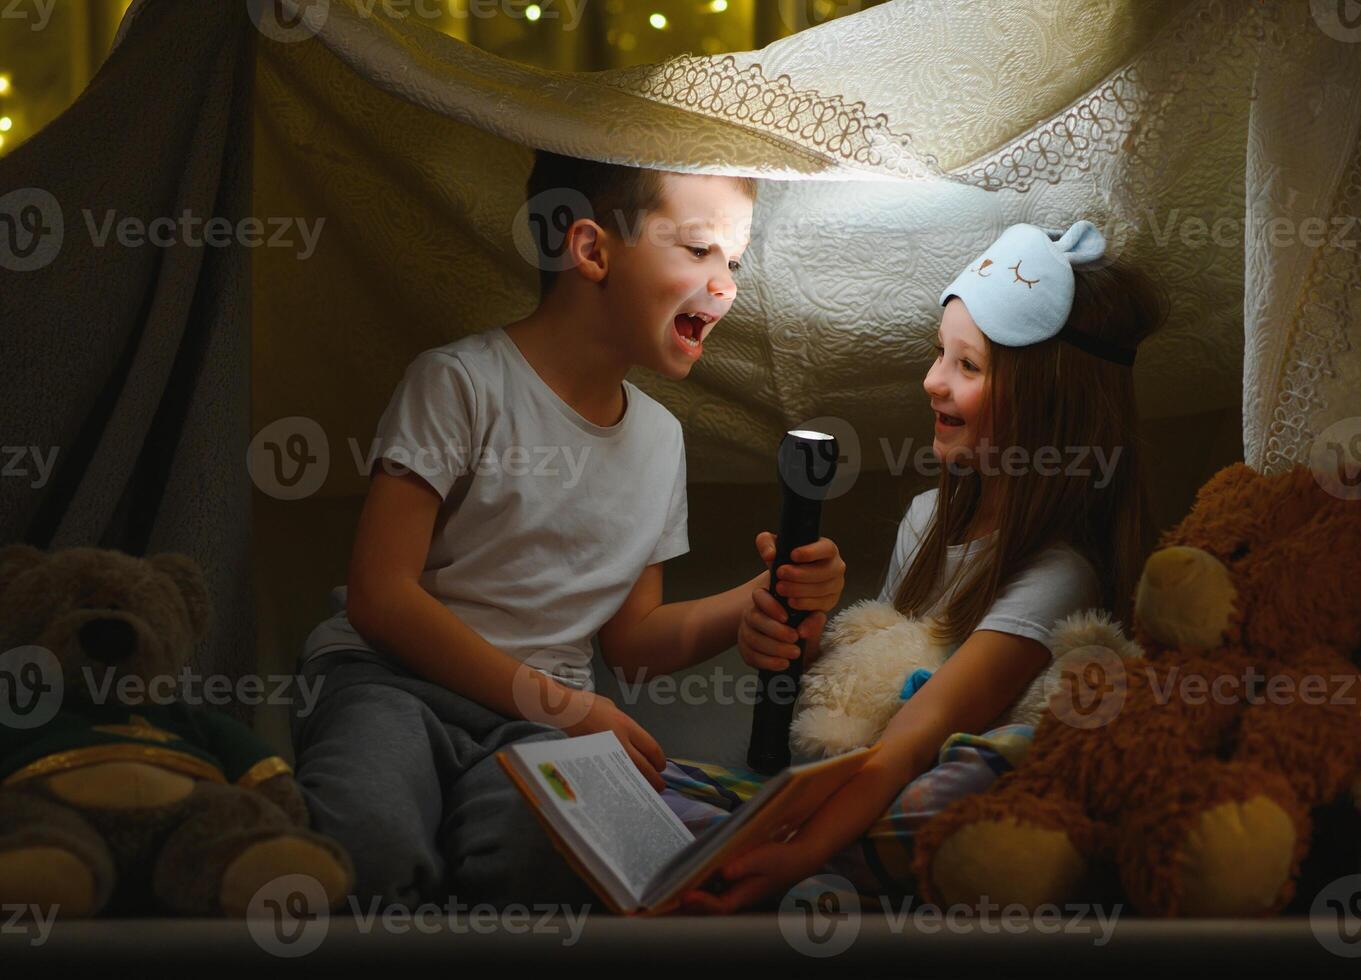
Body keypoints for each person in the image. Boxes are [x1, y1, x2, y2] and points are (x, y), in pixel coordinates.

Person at [290, 150, 847, 909]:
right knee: (369, 844)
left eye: (735, 261)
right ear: (591, 249)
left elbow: (631, 641)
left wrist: (754, 598)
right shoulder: (460, 382)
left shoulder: (658, 440)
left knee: (541, 868)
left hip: (541, 728)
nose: (725, 286)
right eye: (697, 249)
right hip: (391, 685)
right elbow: (380, 598)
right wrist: (571, 708)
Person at [685, 221, 1168, 912]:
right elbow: (885, 688)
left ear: (1048, 405)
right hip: (870, 780)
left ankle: (825, 876)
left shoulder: (1062, 576)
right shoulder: (926, 519)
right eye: (939, 353)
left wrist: (793, 857)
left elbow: (915, 742)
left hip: (926, 799)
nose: (931, 381)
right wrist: (808, 645)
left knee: (956, 780)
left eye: (967, 367)